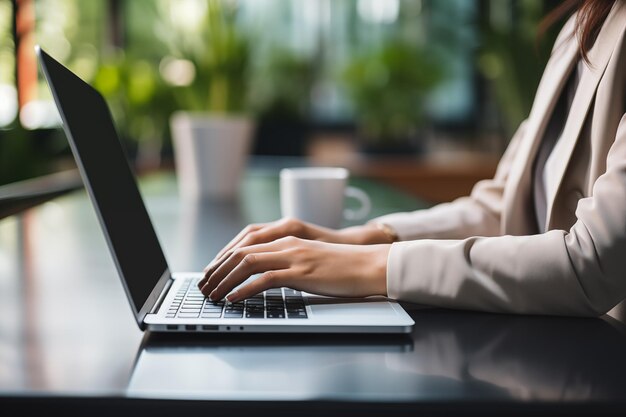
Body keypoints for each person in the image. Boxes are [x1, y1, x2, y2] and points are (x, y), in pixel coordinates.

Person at [198, 0, 626, 317]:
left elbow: (591, 263)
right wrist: (365, 237)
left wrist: (368, 266)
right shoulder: (579, 26)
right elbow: (503, 209)